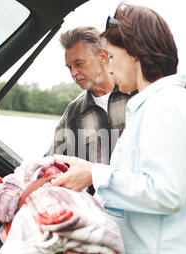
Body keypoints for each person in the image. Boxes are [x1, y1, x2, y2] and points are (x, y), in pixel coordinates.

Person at [51, 4, 186, 254]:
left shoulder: (165, 108)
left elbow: (165, 191)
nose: (111, 67)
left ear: (134, 53)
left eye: (113, 57)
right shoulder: (157, 104)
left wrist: (94, 173)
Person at [46, 26, 133, 167]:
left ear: (103, 57)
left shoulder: (137, 95)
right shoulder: (73, 113)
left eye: (78, 64)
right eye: (69, 68)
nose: (74, 73)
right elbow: (52, 164)